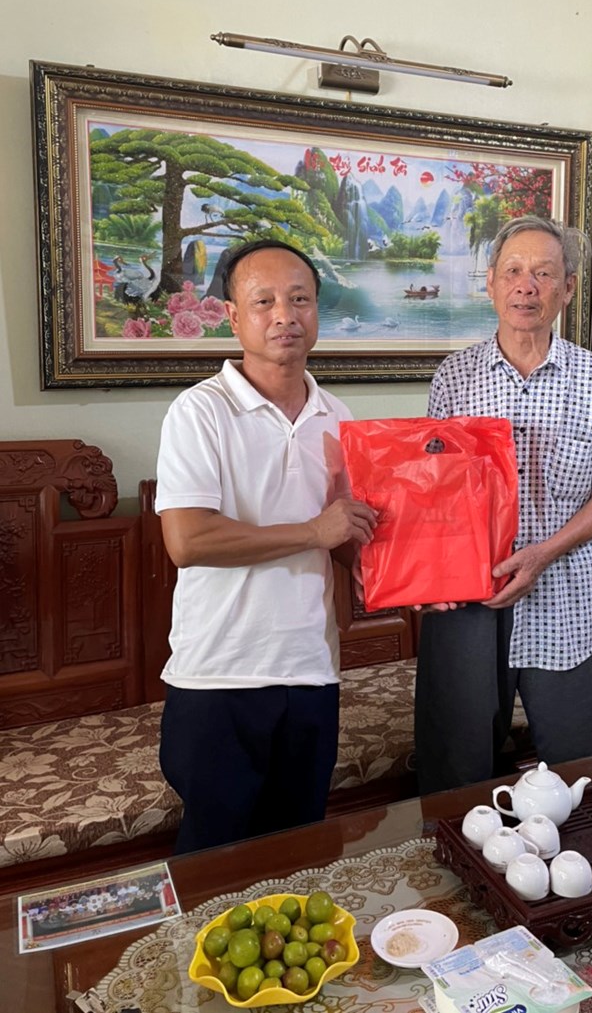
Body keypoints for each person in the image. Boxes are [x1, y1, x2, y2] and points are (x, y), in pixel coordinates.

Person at [154, 240, 378, 853]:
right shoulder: (200, 412)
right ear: (233, 316)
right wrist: (313, 532)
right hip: (219, 674)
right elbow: (188, 540)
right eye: (265, 301)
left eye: (300, 299)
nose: (285, 315)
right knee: (214, 862)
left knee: (298, 852)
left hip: (310, 668)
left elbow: (344, 537)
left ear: (317, 311)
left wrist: (394, 572)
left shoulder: (337, 414)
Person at [414, 216, 592, 795]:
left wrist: (543, 553)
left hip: (561, 600)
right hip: (468, 603)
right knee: (456, 776)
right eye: (513, 271)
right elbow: (432, 494)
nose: (527, 286)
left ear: (567, 288)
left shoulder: (591, 377)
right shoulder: (454, 377)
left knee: (570, 773)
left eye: (543, 273)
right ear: (491, 283)